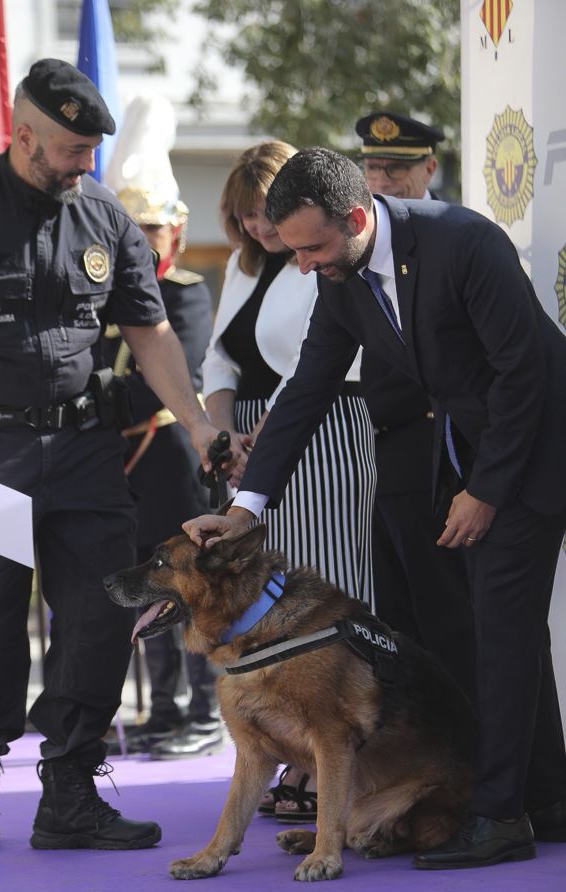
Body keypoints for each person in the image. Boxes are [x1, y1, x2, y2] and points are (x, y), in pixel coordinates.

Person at [184, 147, 566, 869]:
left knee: (505, 633)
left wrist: (485, 489)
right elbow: (306, 389)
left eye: (313, 247)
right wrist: (245, 509)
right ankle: (546, 796)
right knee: (479, 635)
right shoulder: (342, 274)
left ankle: (501, 817)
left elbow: (526, 374)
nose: (302, 264)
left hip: (532, 447)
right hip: (462, 454)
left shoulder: (464, 242)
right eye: (293, 248)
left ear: (357, 218)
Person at [0, 59, 218, 856]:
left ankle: (70, 793)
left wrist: (197, 424)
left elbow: (150, 330)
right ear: (24, 135)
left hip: (82, 449)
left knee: (103, 612)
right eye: (70, 149)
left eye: (91, 149)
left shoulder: (104, 217)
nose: (84, 164)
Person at [203, 141, 377, 822]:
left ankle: (329, 757)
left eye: (263, 213)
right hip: (247, 446)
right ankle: (290, 751)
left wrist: (260, 441)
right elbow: (219, 358)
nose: (257, 229)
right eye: (243, 217)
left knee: (326, 590)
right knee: (268, 603)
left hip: (321, 433)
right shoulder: (244, 270)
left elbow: (310, 371)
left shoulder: (320, 266)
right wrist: (221, 433)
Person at [101, 93, 224, 759]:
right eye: (132, 229)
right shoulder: (102, 302)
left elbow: (177, 370)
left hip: (172, 461)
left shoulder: (185, 293)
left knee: (189, 589)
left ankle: (205, 711)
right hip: (120, 468)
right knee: (145, 590)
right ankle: (165, 707)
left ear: (174, 232)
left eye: (151, 229)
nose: (143, 240)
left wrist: (120, 392)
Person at [355, 111, 477, 705]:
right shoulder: (353, 252)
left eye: (397, 168)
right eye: (372, 166)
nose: (382, 179)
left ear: (430, 167)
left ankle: (490, 782)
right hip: (392, 460)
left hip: (448, 462)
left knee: (454, 629)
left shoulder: (455, 238)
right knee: (401, 630)